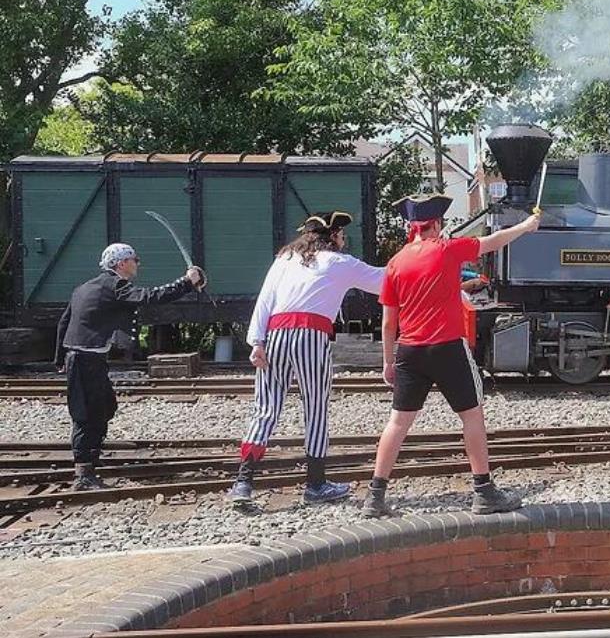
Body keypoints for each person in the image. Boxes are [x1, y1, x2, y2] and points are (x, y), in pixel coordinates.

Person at [361, 195, 541, 518]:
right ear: (437, 224)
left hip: (409, 351)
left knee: (398, 422)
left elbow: (389, 322)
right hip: (447, 348)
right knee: (472, 415)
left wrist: (388, 362)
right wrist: (526, 226)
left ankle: (375, 496)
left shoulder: (395, 263)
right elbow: (494, 241)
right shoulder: (447, 250)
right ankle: (484, 491)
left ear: (411, 227)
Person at [228, 211, 384, 506]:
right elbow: (383, 280)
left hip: (275, 335)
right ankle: (315, 484)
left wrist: (256, 342)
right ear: (333, 236)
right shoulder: (340, 262)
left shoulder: (285, 258)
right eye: (341, 235)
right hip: (311, 335)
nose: (343, 240)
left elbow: (265, 299)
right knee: (315, 408)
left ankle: (243, 483)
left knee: (266, 408)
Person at [54, 244, 205, 490]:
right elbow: (149, 297)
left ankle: (91, 460)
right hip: (85, 360)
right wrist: (186, 283)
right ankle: (84, 474)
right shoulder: (115, 286)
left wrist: (60, 359)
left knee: (105, 408)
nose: (138, 263)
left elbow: (64, 322)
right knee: (86, 416)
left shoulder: (85, 287)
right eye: (134, 259)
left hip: (85, 358)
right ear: (121, 263)